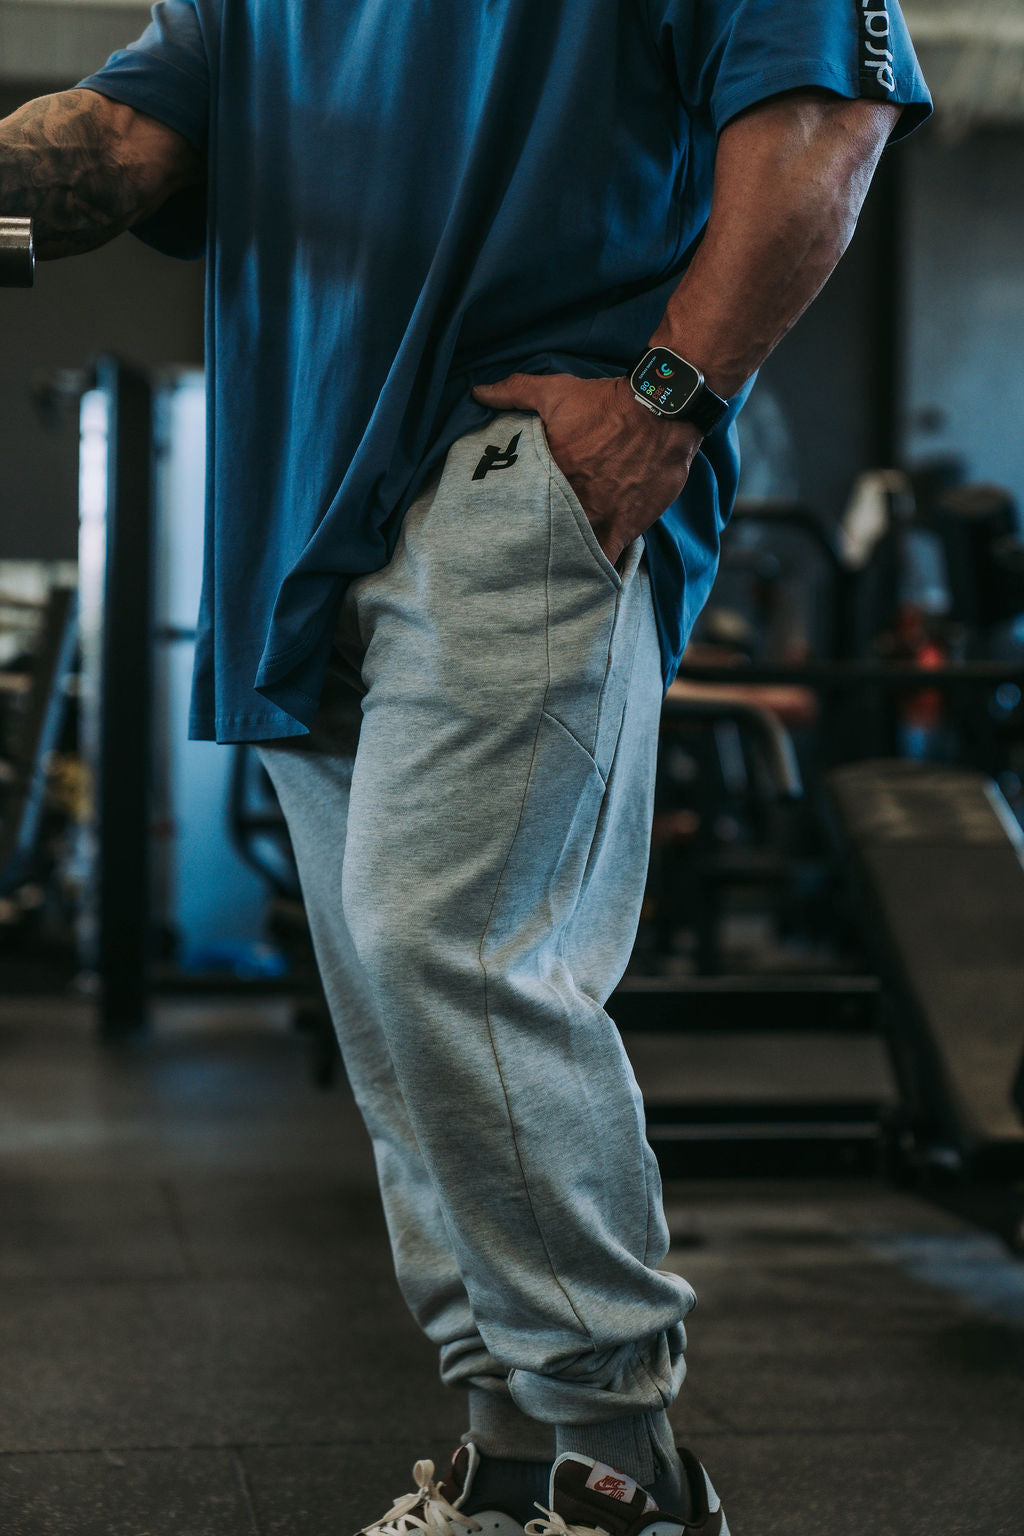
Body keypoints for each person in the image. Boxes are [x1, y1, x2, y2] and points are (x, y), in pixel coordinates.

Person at [0, 4, 930, 1532]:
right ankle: (511, 1464)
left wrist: (666, 406)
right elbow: (118, 143)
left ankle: (622, 1470)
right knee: (396, 1012)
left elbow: (827, 114)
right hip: (298, 511)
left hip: (515, 462)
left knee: (452, 952)